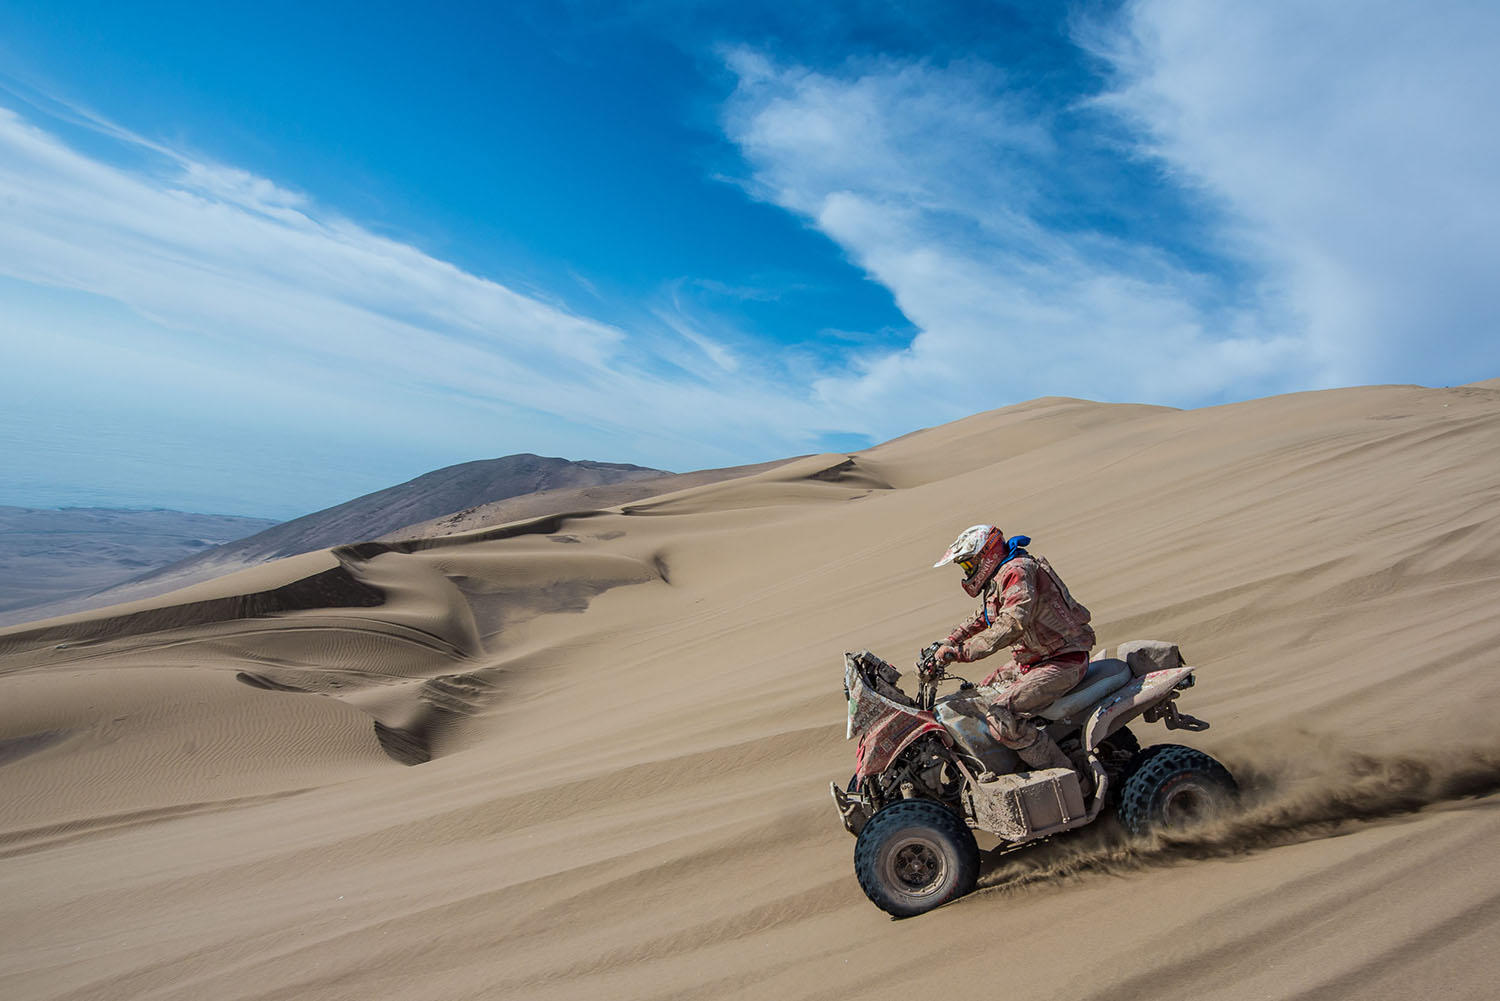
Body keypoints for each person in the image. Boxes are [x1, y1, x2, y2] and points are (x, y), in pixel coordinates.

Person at [929, 524, 1095, 773]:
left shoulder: (1017, 570)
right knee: (978, 695)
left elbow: (1012, 623)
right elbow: (984, 616)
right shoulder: (1001, 575)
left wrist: (961, 652)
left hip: (1062, 661)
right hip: (1035, 661)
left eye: (968, 564)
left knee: (999, 716)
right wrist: (950, 640)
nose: (967, 571)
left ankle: (1068, 778)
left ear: (985, 555)